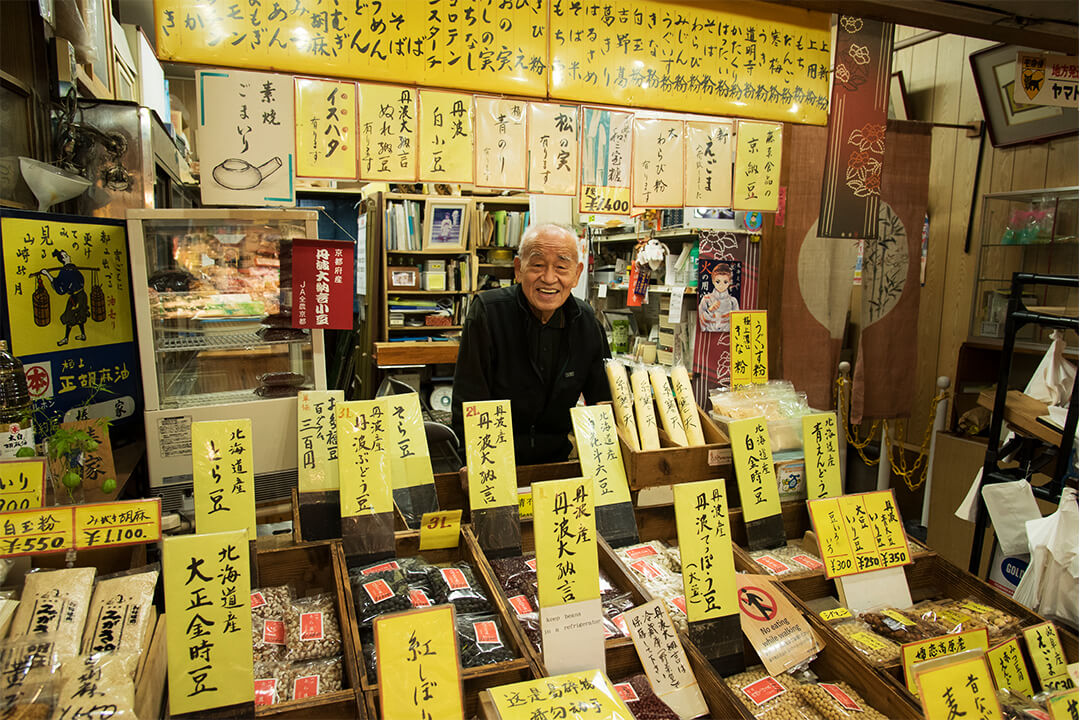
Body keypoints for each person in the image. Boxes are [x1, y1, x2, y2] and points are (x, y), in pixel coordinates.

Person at [452, 223, 611, 465]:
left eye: (561, 267)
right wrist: (474, 463)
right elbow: (469, 402)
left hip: (558, 459)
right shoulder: (488, 313)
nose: (549, 278)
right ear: (518, 269)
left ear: (577, 274)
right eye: (537, 265)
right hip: (496, 459)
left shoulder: (586, 321)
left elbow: (603, 401)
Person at [39, 249, 89, 346]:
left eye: (67, 255)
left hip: (80, 296)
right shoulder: (65, 272)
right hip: (76, 297)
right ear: (63, 260)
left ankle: (79, 335)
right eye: (66, 256)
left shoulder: (72, 269)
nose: (69, 256)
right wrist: (47, 274)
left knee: (79, 315)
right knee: (71, 316)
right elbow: (59, 286)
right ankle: (68, 338)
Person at [698, 262, 739, 332]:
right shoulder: (706, 299)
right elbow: (700, 324)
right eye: (718, 281)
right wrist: (710, 310)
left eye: (725, 282)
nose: (721, 285)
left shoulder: (733, 301)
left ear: (730, 282)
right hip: (708, 337)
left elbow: (737, 323)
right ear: (713, 281)